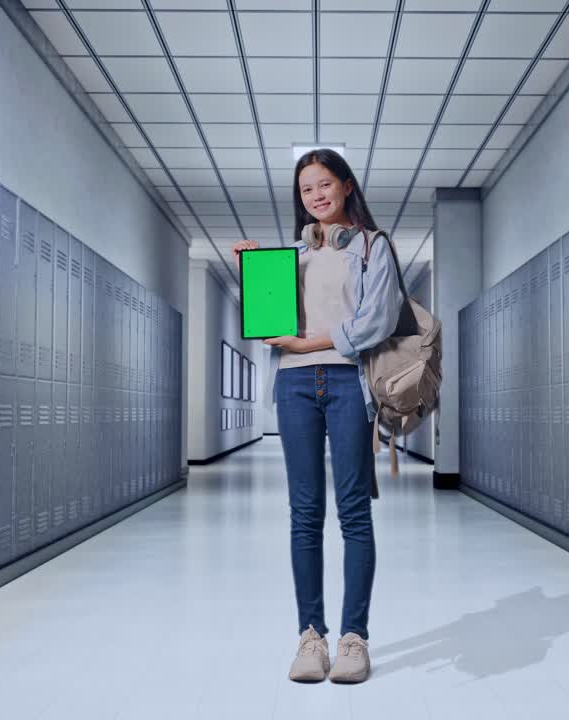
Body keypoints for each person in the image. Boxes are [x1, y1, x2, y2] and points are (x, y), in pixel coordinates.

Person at [232, 149, 404, 685]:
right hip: (295, 383)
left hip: (349, 381)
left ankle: (354, 639)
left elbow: (376, 320)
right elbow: (270, 318)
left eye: (325, 184)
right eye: (306, 190)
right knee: (304, 512)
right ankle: (311, 636)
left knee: (353, 510)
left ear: (347, 186)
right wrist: (255, 269)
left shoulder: (374, 248)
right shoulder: (296, 256)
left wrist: (309, 341)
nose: (316, 196)